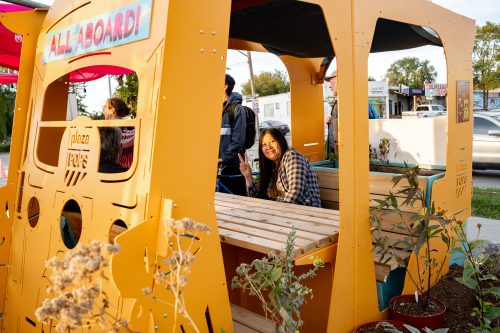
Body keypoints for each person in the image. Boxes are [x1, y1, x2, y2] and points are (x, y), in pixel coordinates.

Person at [239, 128, 322, 207]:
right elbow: (260, 198)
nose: (268, 146)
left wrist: (276, 214)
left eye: (272, 141)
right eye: (264, 144)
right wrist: (248, 177)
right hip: (284, 213)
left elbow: (295, 192)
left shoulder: (292, 157)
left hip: (306, 213)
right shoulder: (271, 165)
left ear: (281, 141)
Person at [324, 71, 378, 159]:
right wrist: (331, 123)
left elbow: (370, 126)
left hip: (350, 157)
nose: (329, 86)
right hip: (338, 156)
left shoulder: (357, 102)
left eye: (332, 83)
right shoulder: (338, 103)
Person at [218, 74, 247, 195]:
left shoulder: (237, 109)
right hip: (217, 166)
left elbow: (238, 140)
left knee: (237, 203)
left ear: (225, 86)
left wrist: (222, 158)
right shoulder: (215, 109)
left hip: (233, 167)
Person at [103, 97, 135, 168]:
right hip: (131, 168)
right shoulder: (132, 127)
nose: (103, 111)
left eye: (104, 107)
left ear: (112, 110)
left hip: (115, 170)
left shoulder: (109, 130)